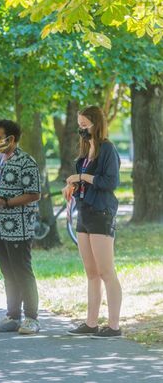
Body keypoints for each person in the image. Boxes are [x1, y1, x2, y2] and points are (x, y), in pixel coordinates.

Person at [0, 119, 41, 335]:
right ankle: (13, 316)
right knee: (8, 273)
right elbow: (3, 190)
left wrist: (7, 203)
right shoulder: (2, 160)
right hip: (1, 227)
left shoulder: (26, 162)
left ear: (11, 138)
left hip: (19, 227)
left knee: (22, 272)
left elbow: (34, 194)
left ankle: (31, 318)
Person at [63, 105, 123, 339]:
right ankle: (91, 323)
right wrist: (72, 186)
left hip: (101, 212)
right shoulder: (85, 150)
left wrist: (81, 177)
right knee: (91, 272)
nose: (81, 129)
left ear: (96, 124)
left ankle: (114, 326)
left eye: (84, 125)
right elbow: (84, 182)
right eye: (79, 125)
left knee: (106, 271)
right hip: (84, 213)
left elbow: (110, 182)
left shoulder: (107, 149)